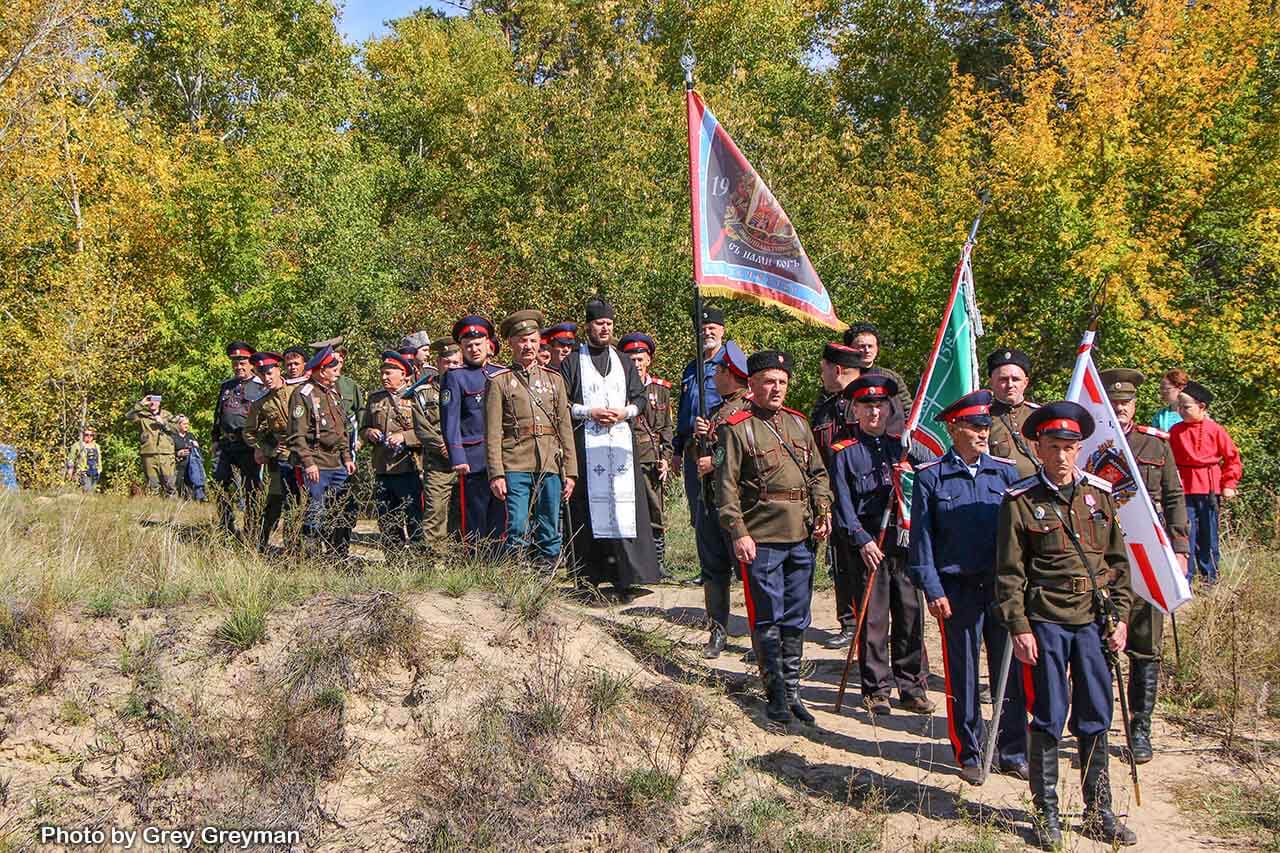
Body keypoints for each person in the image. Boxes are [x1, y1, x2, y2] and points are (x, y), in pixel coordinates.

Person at [995, 401, 1137, 848]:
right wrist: (1018, 626)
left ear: (1080, 449)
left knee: (1096, 713)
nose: (1061, 456)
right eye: (1053, 447)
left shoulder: (1099, 495)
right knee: (1049, 715)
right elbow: (1009, 573)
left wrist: (1120, 618)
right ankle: (1047, 813)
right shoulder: (1020, 502)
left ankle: (1099, 811)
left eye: (1069, 447)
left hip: (1094, 622)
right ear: (1039, 447)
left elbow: (1118, 564)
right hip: (1046, 621)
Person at [908, 390, 1026, 784]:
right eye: (975, 426)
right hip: (956, 590)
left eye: (986, 425)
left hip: (1000, 589)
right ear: (954, 428)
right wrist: (932, 589)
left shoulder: (1005, 473)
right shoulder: (931, 477)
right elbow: (922, 542)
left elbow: (1017, 537)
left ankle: (1011, 750)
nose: (982, 432)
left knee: (1007, 673)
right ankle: (969, 751)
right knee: (963, 673)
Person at [715, 350, 832, 725]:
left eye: (782, 382)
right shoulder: (737, 427)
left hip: (801, 535)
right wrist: (739, 532)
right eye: (769, 381)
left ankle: (794, 691)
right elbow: (726, 489)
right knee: (768, 614)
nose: (776, 388)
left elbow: (818, 473)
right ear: (752, 384)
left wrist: (822, 509)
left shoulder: (799, 424)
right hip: (762, 535)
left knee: (797, 615)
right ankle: (775, 693)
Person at [829, 375, 936, 715]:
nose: (874, 412)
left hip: (902, 543)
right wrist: (860, 540)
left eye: (879, 405)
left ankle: (912, 686)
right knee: (873, 620)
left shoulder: (903, 449)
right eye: (866, 406)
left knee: (909, 615)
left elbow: (922, 496)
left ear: (890, 408)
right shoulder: (845, 453)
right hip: (869, 543)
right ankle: (876, 688)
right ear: (855, 410)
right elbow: (842, 503)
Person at [1099, 368, 1190, 764]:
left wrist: (1181, 549)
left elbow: (1174, 497)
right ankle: (1097, 723)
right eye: (1114, 403)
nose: (1120, 409)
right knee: (1101, 643)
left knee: (1145, 647)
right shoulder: (1093, 443)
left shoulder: (1155, 445)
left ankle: (1140, 729)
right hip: (1105, 559)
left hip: (1148, 558)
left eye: (1127, 403)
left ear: (1136, 405)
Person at [559, 297, 661, 596]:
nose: (605, 329)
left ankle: (626, 577)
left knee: (624, 507)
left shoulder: (624, 361)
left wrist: (624, 412)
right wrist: (588, 412)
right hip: (587, 445)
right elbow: (561, 403)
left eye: (609, 325)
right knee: (587, 509)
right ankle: (589, 578)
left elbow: (640, 398)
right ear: (588, 326)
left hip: (620, 447)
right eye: (600, 324)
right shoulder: (571, 362)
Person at [486, 310, 578, 566]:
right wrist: (496, 473)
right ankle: (518, 573)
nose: (528, 346)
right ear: (511, 344)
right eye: (522, 340)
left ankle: (545, 575)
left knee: (549, 524)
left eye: (533, 340)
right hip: (515, 463)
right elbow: (493, 432)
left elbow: (565, 428)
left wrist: (570, 472)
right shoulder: (499, 382)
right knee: (516, 524)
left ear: (540, 343)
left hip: (549, 462)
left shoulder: (555, 380)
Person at [692, 341, 751, 657]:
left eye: (718, 371)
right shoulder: (718, 409)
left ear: (731, 374)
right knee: (713, 570)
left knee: (749, 572)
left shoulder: (749, 409)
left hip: (737, 504)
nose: (713, 376)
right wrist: (701, 435)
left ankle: (760, 636)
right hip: (710, 500)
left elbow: (742, 454)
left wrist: (713, 462)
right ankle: (717, 632)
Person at [810, 342, 862, 649]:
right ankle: (849, 622)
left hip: (863, 496)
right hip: (832, 494)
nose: (822, 375)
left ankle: (870, 623)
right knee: (840, 562)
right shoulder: (826, 405)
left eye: (823, 369)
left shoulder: (866, 404)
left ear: (838, 370)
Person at [440, 315, 506, 548]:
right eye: (468, 346)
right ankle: (476, 564)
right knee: (475, 517)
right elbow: (450, 421)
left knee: (503, 515)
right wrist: (457, 456)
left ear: (489, 345)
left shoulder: (502, 374)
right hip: (473, 458)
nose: (474, 349)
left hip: (503, 456)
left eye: (478, 344)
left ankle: (501, 564)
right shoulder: (455, 378)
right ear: (462, 349)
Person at [1169, 381, 1241, 584]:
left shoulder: (1215, 430)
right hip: (1183, 488)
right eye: (1180, 407)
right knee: (1186, 534)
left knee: (1209, 535)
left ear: (1202, 407)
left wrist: (1229, 484)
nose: (1182, 411)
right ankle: (1186, 579)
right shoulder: (1175, 431)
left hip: (1209, 488)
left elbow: (1232, 459)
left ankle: (1209, 579)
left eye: (1187, 407)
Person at [288, 345, 356, 556]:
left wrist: (347, 457)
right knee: (314, 512)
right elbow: (297, 435)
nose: (337, 370)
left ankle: (337, 554)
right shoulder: (303, 394)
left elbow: (341, 430)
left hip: (337, 464)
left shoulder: (333, 394)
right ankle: (311, 556)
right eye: (332, 367)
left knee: (341, 510)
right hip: (317, 465)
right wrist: (308, 463)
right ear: (321, 369)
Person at [675, 305, 734, 534]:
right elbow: (684, 410)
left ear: (722, 330)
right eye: (703, 328)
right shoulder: (691, 368)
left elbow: (738, 405)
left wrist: (712, 427)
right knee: (698, 509)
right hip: (693, 449)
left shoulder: (730, 365)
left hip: (718, 447)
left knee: (721, 506)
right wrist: (678, 450)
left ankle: (728, 565)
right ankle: (707, 567)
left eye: (712, 328)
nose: (707, 332)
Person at [620, 332, 675, 574]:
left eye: (640, 359)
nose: (636, 364)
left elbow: (666, 428)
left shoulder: (660, 390)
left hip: (651, 457)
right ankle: (633, 562)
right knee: (627, 510)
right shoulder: (618, 387)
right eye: (631, 359)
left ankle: (658, 562)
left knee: (655, 510)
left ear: (649, 360)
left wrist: (665, 458)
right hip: (625, 456)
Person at [362, 351, 424, 556]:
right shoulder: (374, 398)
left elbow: (430, 431)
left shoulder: (417, 397)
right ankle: (393, 560)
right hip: (382, 467)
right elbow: (364, 429)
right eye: (382, 373)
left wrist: (405, 437)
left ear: (404, 374)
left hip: (409, 467)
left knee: (414, 515)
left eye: (389, 373)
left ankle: (420, 559)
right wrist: (369, 432)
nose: (384, 377)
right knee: (386, 517)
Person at [412, 337, 463, 546]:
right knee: (435, 510)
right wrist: (443, 445)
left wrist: (458, 447)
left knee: (462, 510)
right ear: (438, 363)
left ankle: (460, 556)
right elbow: (421, 427)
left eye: (455, 363)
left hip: (465, 460)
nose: (451, 367)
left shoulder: (470, 387)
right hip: (437, 461)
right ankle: (434, 558)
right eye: (446, 363)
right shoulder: (423, 392)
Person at [212, 341, 265, 536]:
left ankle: (252, 529)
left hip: (249, 445)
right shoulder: (227, 386)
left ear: (251, 364)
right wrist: (214, 439)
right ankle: (226, 525)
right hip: (226, 444)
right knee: (219, 484)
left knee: (251, 487)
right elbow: (218, 413)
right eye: (235, 363)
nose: (239, 367)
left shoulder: (259, 385)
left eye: (242, 363)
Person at [244, 352, 292, 550]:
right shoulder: (260, 403)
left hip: (305, 456)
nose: (267, 378)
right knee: (274, 503)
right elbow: (249, 432)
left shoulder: (298, 391)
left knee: (299, 504)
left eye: (270, 373)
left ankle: (295, 548)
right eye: (263, 375)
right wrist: (267, 448)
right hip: (279, 459)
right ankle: (258, 545)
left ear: (279, 370)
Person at [842, 322, 912, 435]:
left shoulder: (891, 378)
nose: (867, 350)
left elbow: (909, 412)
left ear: (877, 349)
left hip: (891, 444)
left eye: (870, 346)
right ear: (849, 348)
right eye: (861, 346)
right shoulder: (840, 379)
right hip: (852, 442)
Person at [986, 348, 1041, 479]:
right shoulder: (983, 419)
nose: (1010, 385)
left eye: (1015, 379)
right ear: (991, 383)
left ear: (1025, 382)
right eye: (1003, 379)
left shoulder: (1041, 415)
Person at [126, 393, 177, 497]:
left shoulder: (167, 415)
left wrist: (163, 423)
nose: (153, 402)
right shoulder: (142, 415)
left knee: (170, 484)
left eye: (155, 400)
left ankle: (173, 510)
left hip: (166, 454)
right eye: (150, 400)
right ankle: (154, 509)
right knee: (152, 485)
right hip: (149, 454)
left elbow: (176, 429)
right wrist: (140, 403)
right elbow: (128, 416)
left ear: (160, 402)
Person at [171, 416, 207, 501]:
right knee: (178, 487)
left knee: (191, 488)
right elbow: (168, 452)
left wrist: (196, 446)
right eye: (184, 424)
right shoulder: (173, 437)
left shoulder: (190, 436)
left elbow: (198, 452)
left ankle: (194, 502)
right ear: (178, 425)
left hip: (191, 467)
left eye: (188, 424)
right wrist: (178, 453)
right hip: (178, 467)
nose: (186, 426)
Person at [66, 427, 102, 493]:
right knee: (86, 490)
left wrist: (99, 470)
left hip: (95, 472)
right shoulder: (77, 445)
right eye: (86, 434)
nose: (89, 437)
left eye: (91, 435)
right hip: (83, 472)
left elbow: (99, 459)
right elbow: (71, 459)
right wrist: (70, 470)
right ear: (83, 435)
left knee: (92, 491)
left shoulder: (96, 446)